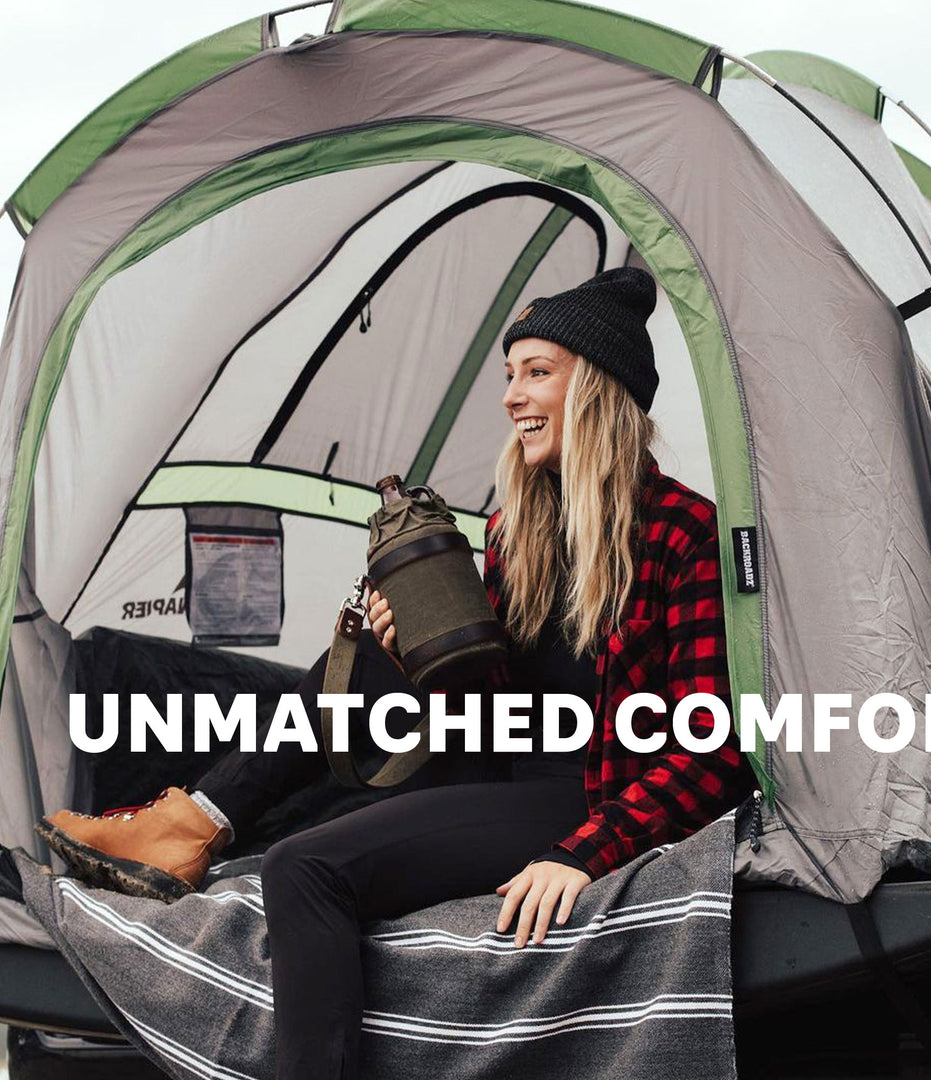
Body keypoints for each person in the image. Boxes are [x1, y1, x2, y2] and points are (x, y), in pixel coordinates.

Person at [38, 266, 753, 1079]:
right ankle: (196, 822)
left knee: (302, 867)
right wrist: (418, 651)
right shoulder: (520, 534)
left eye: (537, 372)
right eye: (509, 375)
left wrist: (584, 854)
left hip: (584, 793)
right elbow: (491, 705)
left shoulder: (682, 533)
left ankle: (191, 829)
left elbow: (711, 750)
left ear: (599, 387)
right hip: (504, 761)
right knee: (372, 652)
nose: (513, 396)